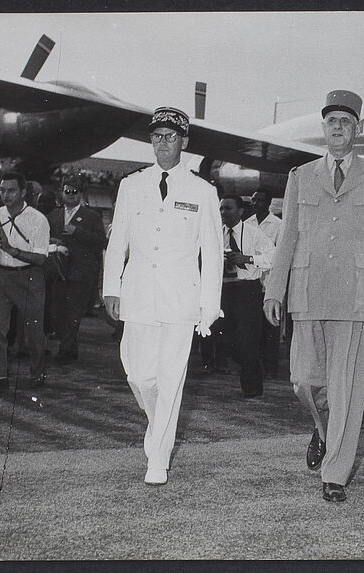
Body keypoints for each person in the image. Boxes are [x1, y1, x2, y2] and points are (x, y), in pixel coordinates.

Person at [263, 90, 364, 503]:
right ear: (323, 129)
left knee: (347, 390)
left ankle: (335, 473)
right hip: (308, 292)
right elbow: (287, 239)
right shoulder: (300, 175)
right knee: (305, 383)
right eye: (331, 121)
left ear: (357, 129)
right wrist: (275, 289)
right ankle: (322, 431)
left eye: (345, 121)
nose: (338, 127)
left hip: (357, 297)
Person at [103, 107, 223, 486]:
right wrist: (111, 287)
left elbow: (214, 253)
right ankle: (158, 427)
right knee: (139, 376)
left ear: (183, 142)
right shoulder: (131, 185)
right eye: (156, 136)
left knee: (171, 379)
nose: (162, 143)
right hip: (137, 293)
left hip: (180, 299)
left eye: (170, 136)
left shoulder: (203, 191)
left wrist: (209, 305)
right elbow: (117, 240)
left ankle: (159, 458)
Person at [0, 171, 50, 388]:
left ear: (23, 192)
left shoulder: (37, 219)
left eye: (12, 190)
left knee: (34, 333)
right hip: (1, 276)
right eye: (3, 190)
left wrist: (10, 249)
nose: (6, 194)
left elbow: (41, 258)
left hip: (30, 277)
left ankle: (37, 373)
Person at [217, 193, 275, 397]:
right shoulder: (215, 234)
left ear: (241, 211)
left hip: (246, 290)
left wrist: (248, 258)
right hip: (223, 291)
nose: (224, 212)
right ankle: (253, 372)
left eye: (228, 208)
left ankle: (251, 389)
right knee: (228, 340)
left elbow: (272, 257)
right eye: (222, 208)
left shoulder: (254, 233)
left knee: (247, 340)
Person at [47, 174, 106, 362]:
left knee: (73, 312)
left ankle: (65, 350)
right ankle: (70, 348)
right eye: (67, 191)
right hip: (58, 270)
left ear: (81, 194)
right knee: (57, 311)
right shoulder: (53, 215)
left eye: (75, 191)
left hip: (80, 272)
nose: (71, 195)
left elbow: (100, 242)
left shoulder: (92, 217)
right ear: (61, 192)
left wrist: (77, 232)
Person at [245, 188, 283, 377]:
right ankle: (256, 366)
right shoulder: (246, 224)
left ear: (268, 203)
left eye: (259, 200)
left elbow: (278, 257)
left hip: (269, 282)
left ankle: (271, 367)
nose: (255, 204)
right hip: (251, 283)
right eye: (253, 200)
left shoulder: (278, 225)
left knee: (270, 329)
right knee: (254, 328)